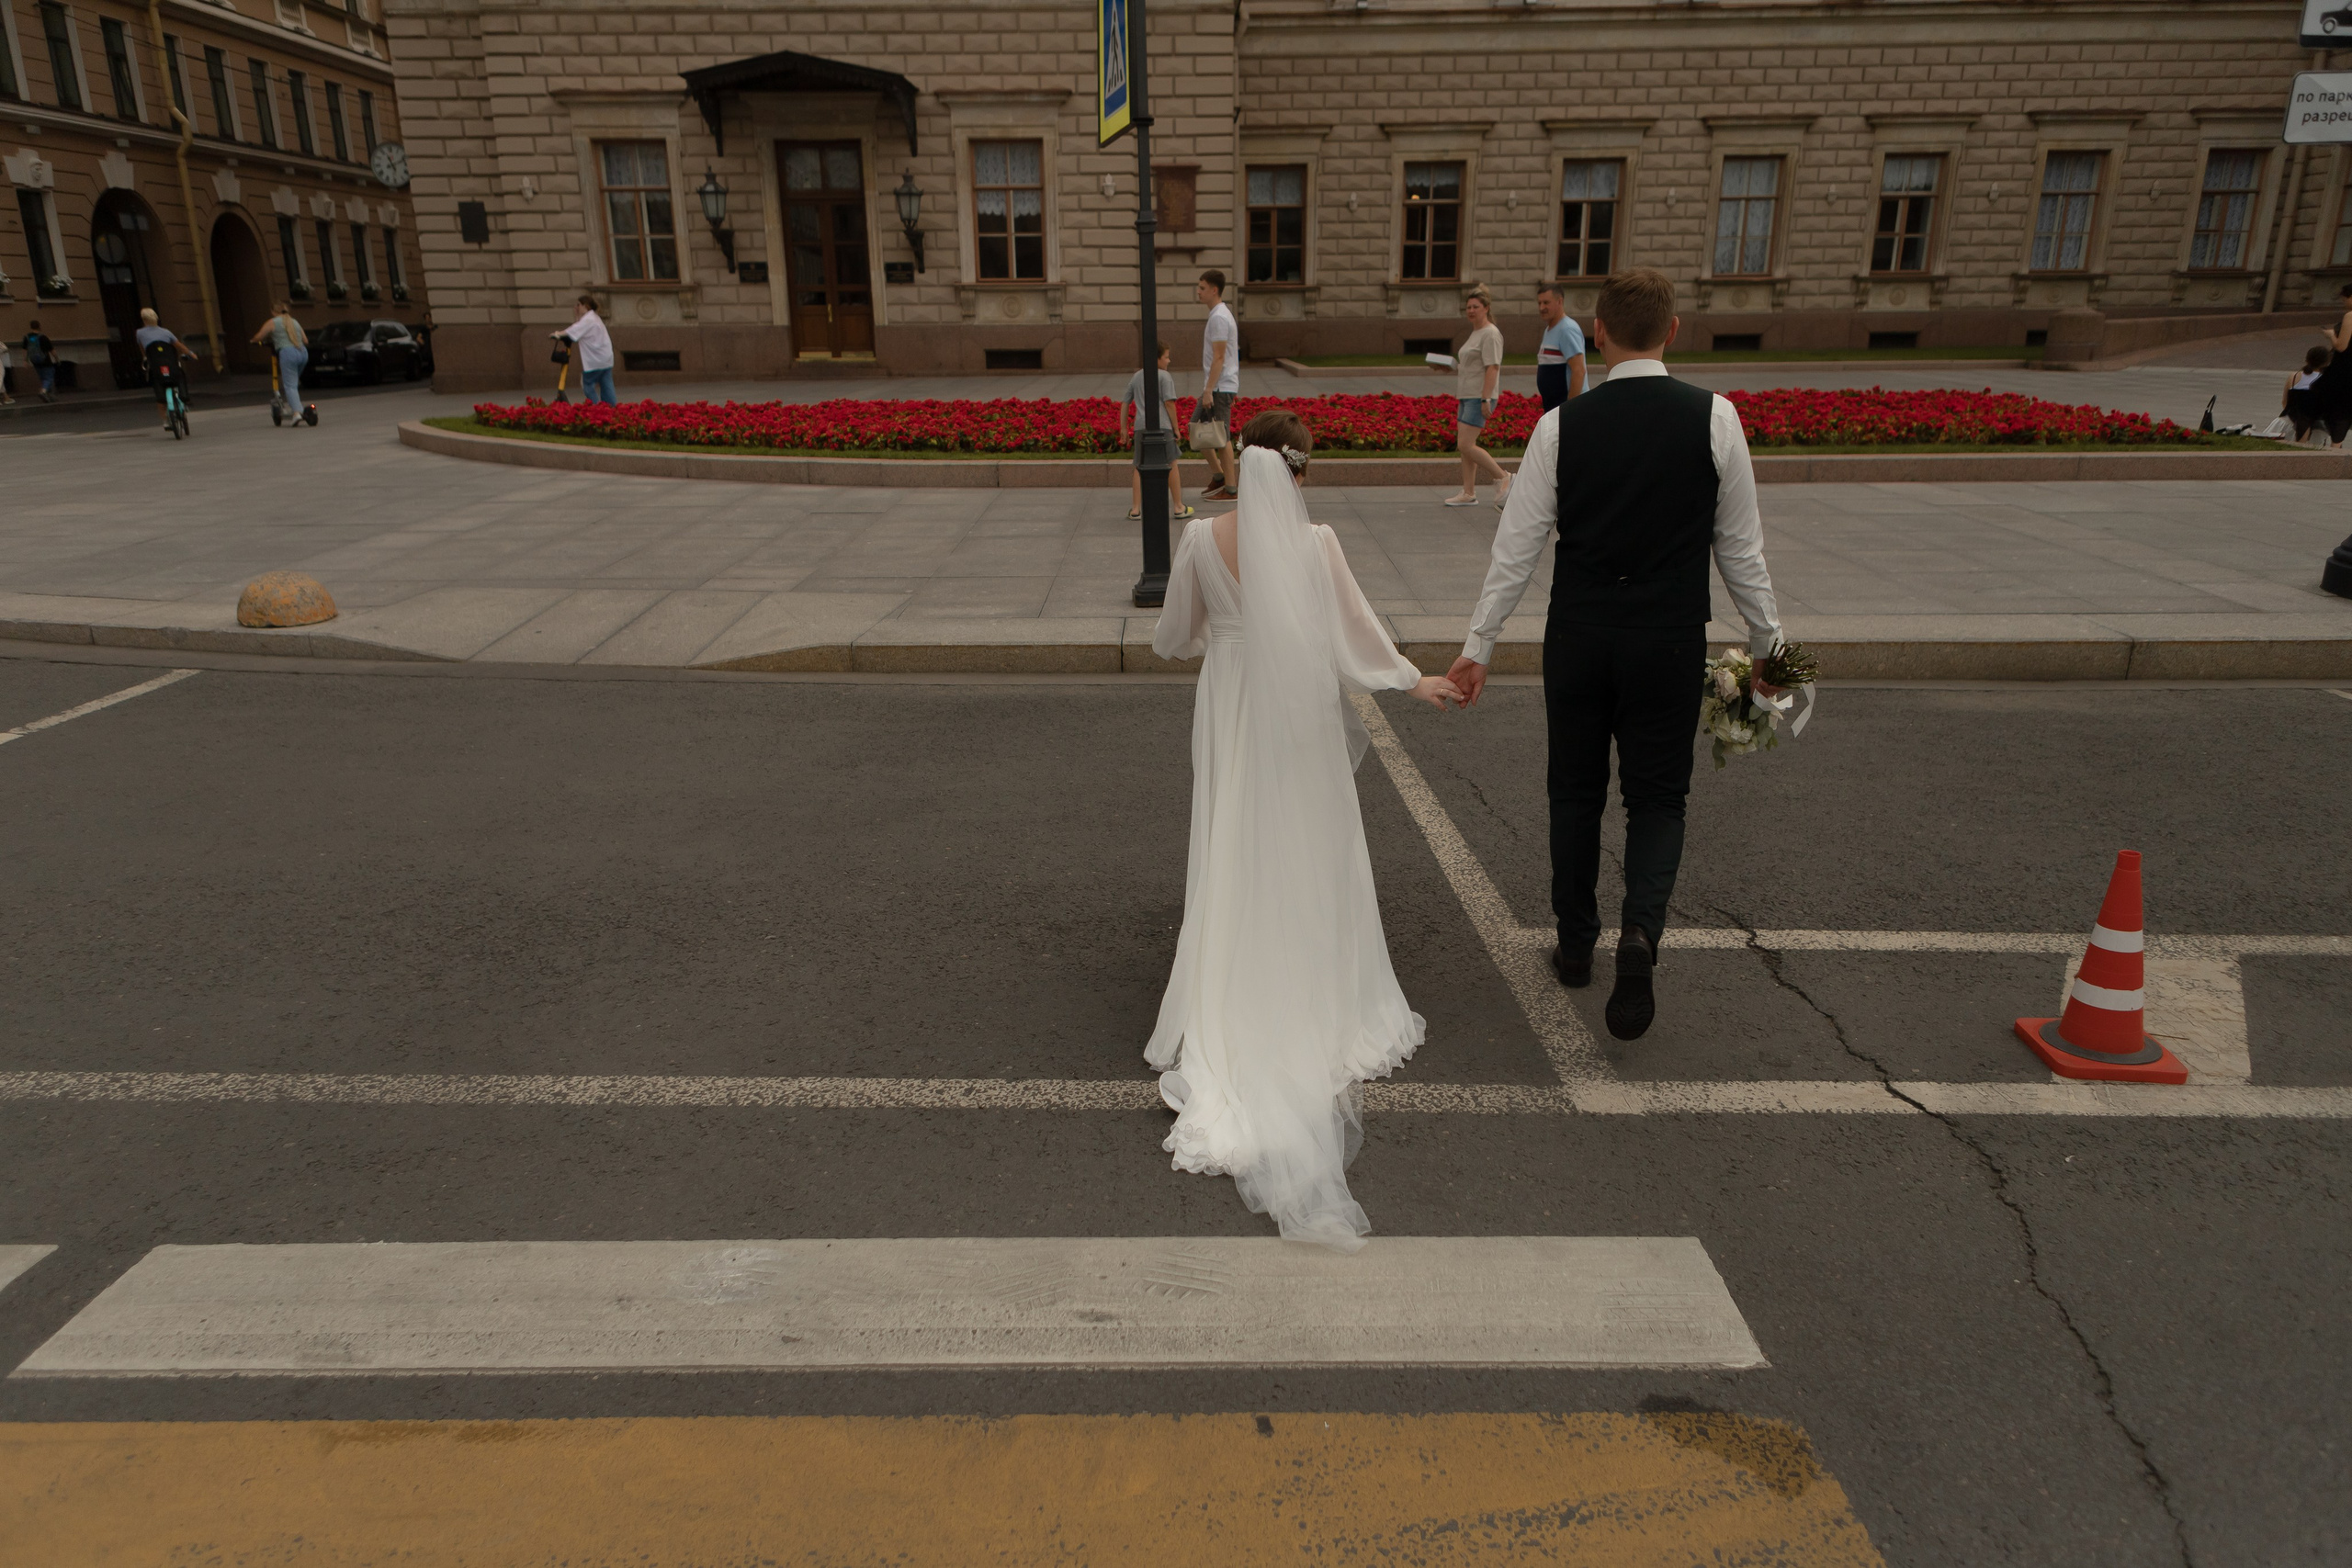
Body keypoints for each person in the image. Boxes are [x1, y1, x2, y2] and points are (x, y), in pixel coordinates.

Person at [1148, 407, 1463, 1250]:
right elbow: (1352, 636)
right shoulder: (1315, 544)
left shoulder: (1197, 543)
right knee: (1306, 841)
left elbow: (1174, 638)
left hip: (1230, 700)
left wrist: (1224, 631)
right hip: (1295, 715)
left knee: (1233, 835)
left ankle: (1232, 972)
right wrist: (1412, 678)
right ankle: (1314, 975)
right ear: (1298, 471)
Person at [1446, 267, 1783, 1043]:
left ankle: (1574, 943)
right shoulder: (1717, 419)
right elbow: (1742, 554)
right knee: (1659, 797)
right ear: (1674, 332)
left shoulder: (1561, 427)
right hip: (1668, 638)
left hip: (1580, 635)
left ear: (1596, 333)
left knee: (1575, 789)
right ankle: (1640, 932)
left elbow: (1517, 548)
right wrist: (1771, 651)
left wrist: (1478, 645)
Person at [1442, 283, 1512, 509]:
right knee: (1465, 446)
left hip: (1478, 396)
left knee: (1465, 444)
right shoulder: (1476, 332)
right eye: (1468, 307)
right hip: (1466, 394)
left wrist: (1485, 399)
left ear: (1486, 308)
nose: (1471, 311)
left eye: (1475, 306)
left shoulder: (1491, 334)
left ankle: (1504, 477)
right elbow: (1471, 365)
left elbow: (1493, 367)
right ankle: (1469, 492)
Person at [1122, 341, 1194, 524]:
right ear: (1157, 358)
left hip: (1140, 426)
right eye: (1166, 357)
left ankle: (1136, 509)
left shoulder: (1137, 376)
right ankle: (1178, 506)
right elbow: (1170, 403)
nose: (1169, 361)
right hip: (1162, 426)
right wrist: (1176, 428)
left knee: (1139, 465)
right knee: (1172, 462)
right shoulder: (1164, 376)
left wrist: (1123, 427)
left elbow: (1125, 402)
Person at [1193, 271, 1241, 502]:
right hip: (1219, 386)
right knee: (1198, 429)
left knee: (1221, 437)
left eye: (1202, 288)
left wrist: (1208, 390)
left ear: (1214, 290)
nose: (1198, 291)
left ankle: (1231, 488)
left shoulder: (1220, 318)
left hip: (1220, 387)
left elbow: (1219, 357)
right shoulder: (1218, 315)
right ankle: (1220, 477)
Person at [134, 308, 196, 432]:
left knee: (159, 392)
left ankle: (166, 420)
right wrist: (191, 354)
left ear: (144, 320)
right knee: (179, 375)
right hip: (171, 365)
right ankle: (185, 397)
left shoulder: (139, 333)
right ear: (156, 318)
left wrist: (146, 359)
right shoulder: (166, 332)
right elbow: (179, 346)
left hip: (156, 367)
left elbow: (144, 351)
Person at [249, 301, 309, 423]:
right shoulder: (295, 321)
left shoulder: (273, 322)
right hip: (302, 352)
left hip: (288, 353)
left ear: (273, 312)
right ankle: (296, 406)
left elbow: (259, 337)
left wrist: (253, 341)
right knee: (294, 383)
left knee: (290, 386)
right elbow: (305, 340)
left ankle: (297, 412)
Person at [1533, 282, 1588, 413]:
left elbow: (1579, 370)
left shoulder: (1567, 329)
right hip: (1553, 407)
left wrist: (1570, 408)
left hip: (1566, 408)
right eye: (1539, 303)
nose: (1542, 307)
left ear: (1559, 301)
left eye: (1546, 303)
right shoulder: (1549, 329)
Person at [554, 294, 616, 405]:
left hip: (595, 360)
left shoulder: (588, 319)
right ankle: (612, 410)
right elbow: (578, 327)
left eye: (578, 305)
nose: (576, 307)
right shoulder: (594, 317)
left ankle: (597, 407)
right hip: (606, 358)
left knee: (587, 385)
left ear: (585, 305)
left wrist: (557, 334)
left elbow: (573, 330)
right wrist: (577, 315)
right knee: (606, 385)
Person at [2284, 344, 2340, 446]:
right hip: (2317, 426)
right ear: (2327, 363)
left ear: (2307, 360)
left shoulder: (2293, 376)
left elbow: (2285, 403)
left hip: (2292, 421)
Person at [22, 321, 59, 401]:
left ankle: (49, 395)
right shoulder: (43, 337)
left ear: (31, 327)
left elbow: (25, 349)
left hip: (34, 361)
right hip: (45, 360)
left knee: (43, 377)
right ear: (39, 326)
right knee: (49, 377)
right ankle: (43, 391)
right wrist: (56, 358)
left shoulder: (27, 337)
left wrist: (25, 360)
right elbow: (52, 350)